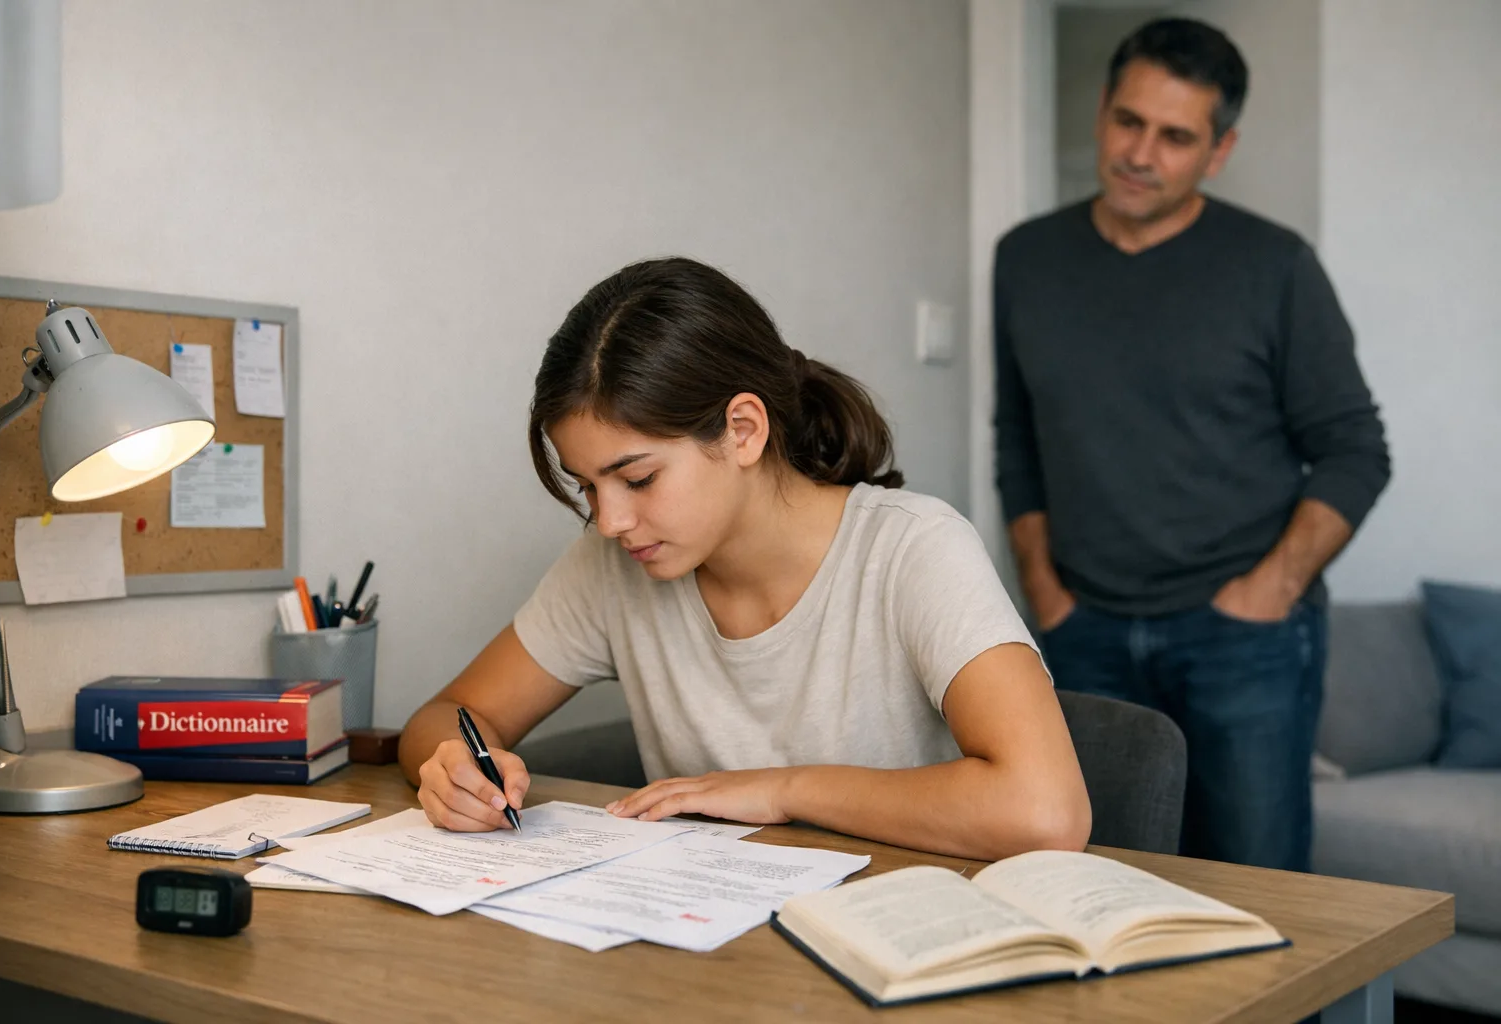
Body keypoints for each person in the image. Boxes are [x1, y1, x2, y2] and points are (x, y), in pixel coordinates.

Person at [401, 256, 1090, 861]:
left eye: (638, 478)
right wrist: (455, 770)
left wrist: (783, 790)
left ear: (743, 430)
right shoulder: (613, 566)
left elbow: (1046, 811)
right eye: (587, 487)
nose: (610, 521)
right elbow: (448, 714)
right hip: (717, 941)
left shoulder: (914, 549)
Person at [992, 18, 1390, 871]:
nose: (1141, 154)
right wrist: (1042, 587)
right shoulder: (1026, 259)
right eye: (1128, 121)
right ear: (1102, 110)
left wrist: (1271, 589)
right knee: (1093, 884)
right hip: (1083, 629)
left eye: (1175, 137)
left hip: (1242, 639)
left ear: (1220, 150)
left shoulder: (1275, 266)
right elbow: (1016, 434)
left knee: (1259, 890)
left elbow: (1356, 448)